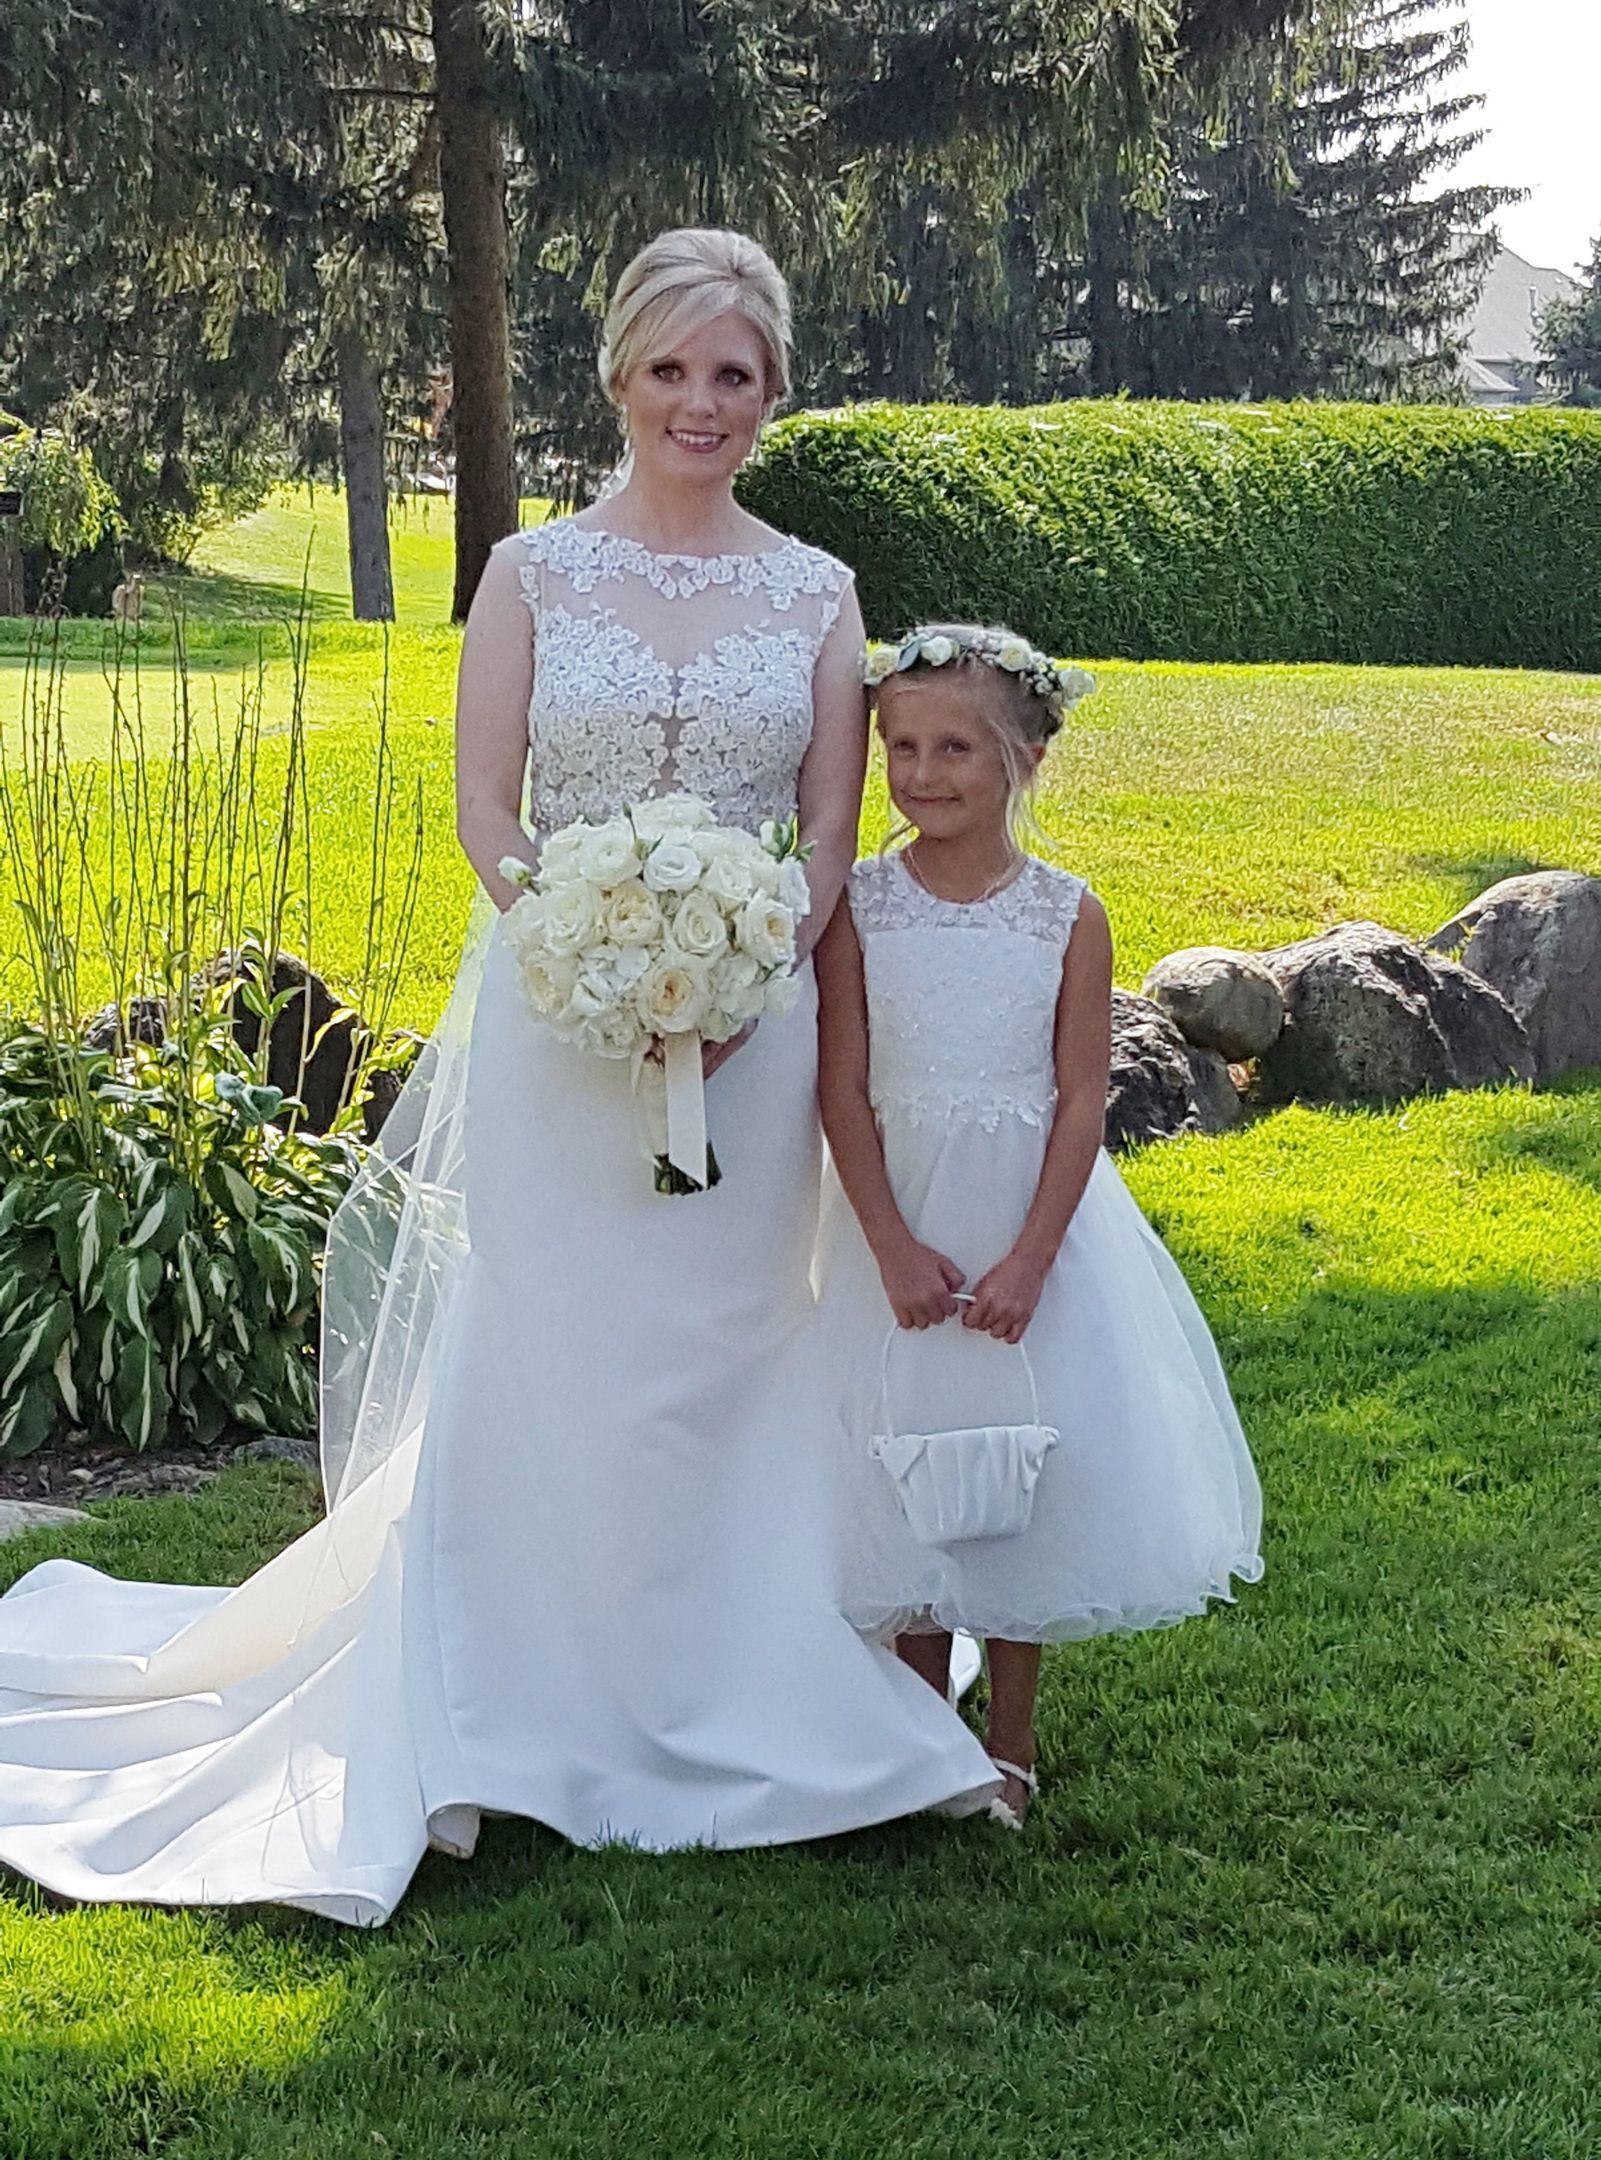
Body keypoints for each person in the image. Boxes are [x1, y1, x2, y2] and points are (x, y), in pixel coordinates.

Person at [0, 232, 997, 1927]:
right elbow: (485, 813)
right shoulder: (532, 573)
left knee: (733, 1350)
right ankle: (496, 1700)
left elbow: (827, 833)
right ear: (618, 376)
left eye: (734, 374)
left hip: (748, 1052)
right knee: (546, 1348)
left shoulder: (820, 593)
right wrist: (583, 957)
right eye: (671, 369)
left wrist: (747, 970)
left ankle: (742, 1683)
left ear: (771, 391)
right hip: (560, 1025)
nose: (701, 403)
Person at [814, 623, 1264, 1831]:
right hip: (894, 1218)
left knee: (1015, 1475)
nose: (921, 774)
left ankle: (1008, 1745)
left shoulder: (1066, 915)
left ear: (1024, 755)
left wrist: (1027, 1258)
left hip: (1024, 1223)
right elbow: (839, 1086)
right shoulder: (857, 907)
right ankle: (917, 1738)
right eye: (900, 747)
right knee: (892, 1464)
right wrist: (889, 1246)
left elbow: (1078, 1099)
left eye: (954, 746)